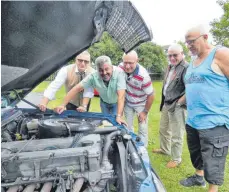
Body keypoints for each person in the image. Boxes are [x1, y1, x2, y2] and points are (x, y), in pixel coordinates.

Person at [180, 25, 229, 192]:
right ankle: (198, 177)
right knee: (197, 154)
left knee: (213, 161)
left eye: (192, 41)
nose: (189, 46)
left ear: (205, 37)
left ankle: (212, 189)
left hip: (214, 121)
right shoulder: (193, 61)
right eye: (187, 43)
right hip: (193, 120)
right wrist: (181, 100)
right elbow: (193, 84)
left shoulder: (221, 54)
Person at [55, 55, 127, 125]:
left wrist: (119, 116)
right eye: (101, 70)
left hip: (116, 102)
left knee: (115, 122)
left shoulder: (119, 73)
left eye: (107, 69)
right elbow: (76, 89)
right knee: (106, 122)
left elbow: (121, 96)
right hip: (104, 102)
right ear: (97, 69)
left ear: (111, 67)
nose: (104, 73)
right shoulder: (93, 76)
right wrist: (62, 105)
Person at [152, 44, 188, 168]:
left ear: (182, 54)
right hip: (167, 103)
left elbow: (190, 89)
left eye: (175, 55)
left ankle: (176, 159)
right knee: (163, 129)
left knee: (177, 133)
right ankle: (165, 149)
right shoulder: (170, 66)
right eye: (170, 55)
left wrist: (179, 103)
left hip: (178, 105)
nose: (172, 58)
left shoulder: (186, 68)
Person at [119, 50, 154, 147]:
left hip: (141, 104)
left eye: (130, 63)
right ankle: (130, 147)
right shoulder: (120, 68)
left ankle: (142, 151)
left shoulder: (143, 76)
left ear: (137, 61)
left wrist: (144, 112)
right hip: (128, 102)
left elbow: (151, 95)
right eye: (125, 62)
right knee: (127, 127)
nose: (127, 66)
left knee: (142, 129)